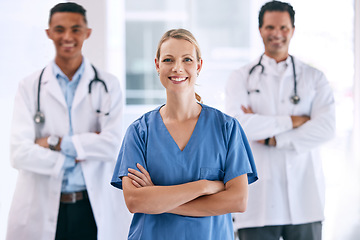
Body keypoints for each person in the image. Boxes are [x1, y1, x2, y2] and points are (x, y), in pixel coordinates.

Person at [111, 28, 258, 240]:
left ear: (199, 65)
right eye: (168, 60)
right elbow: (135, 201)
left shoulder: (226, 128)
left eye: (187, 59)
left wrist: (159, 200)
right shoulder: (140, 131)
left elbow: (237, 201)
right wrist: (205, 186)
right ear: (157, 65)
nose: (177, 68)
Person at [6, 2, 131, 240]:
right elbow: (19, 153)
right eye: (59, 29)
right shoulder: (29, 87)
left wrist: (55, 142)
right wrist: (82, 150)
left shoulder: (108, 85)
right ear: (49, 33)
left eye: (75, 29)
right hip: (42, 208)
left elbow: (112, 144)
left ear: (87, 33)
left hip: (90, 207)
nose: (67, 36)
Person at [226, 1, 336, 240]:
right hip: (258, 204)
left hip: (305, 202)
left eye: (284, 27)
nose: (277, 34)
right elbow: (238, 126)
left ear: (293, 30)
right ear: (260, 30)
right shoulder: (241, 77)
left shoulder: (314, 78)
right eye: (270, 27)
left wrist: (273, 139)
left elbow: (326, 128)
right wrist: (292, 121)